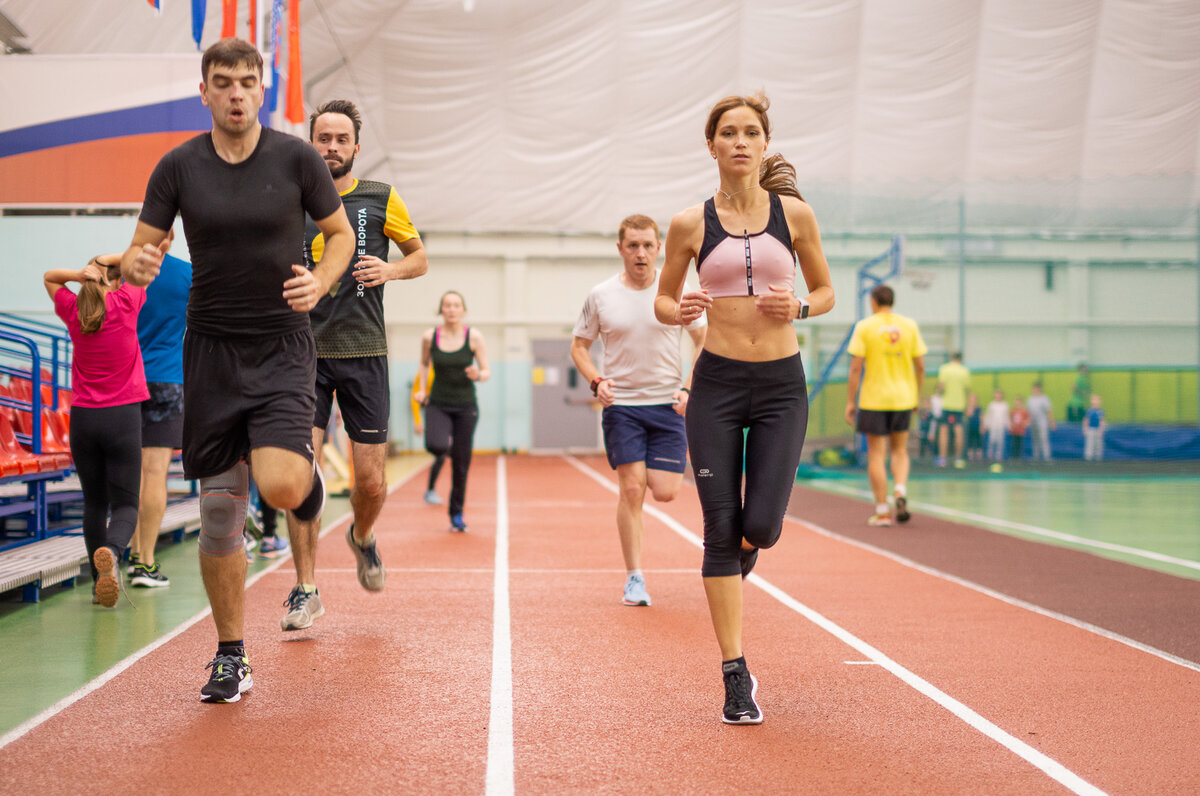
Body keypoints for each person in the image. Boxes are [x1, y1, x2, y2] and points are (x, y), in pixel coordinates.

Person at [121, 38, 354, 703]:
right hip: (211, 353)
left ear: (261, 88)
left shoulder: (297, 158)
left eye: (246, 83)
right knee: (220, 515)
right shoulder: (178, 168)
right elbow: (145, 248)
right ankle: (231, 654)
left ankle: (305, 495)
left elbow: (340, 237)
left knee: (280, 486)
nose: (235, 94)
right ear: (205, 91)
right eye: (221, 83)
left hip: (281, 347)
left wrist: (322, 281)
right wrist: (138, 264)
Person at [654, 93, 834, 725]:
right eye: (727, 132)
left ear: (763, 144)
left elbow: (828, 289)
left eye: (750, 132)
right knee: (719, 531)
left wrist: (802, 308)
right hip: (718, 387)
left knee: (764, 526)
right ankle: (735, 674)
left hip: (782, 386)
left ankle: (746, 550)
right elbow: (662, 300)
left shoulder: (796, 216)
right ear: (711, 146)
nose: (738, 141)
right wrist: (677, 311)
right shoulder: (687, 224)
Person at [279, 99, 429, 631]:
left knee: (369, 482)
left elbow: (420, 258)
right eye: (324, 138)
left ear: (356, 147)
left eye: (342, 139)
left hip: (365, 350)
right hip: (303, 353)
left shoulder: (379, 198)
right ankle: (305, 588)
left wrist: (390, 270)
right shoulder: (290, 197)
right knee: (301, 473)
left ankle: (362, 536)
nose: (332, 147)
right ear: (311, 142)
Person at [571, 213, 708, 606]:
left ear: (659, 247)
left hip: (668, 405)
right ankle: (634, 578)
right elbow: (579, 347)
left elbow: (703, 339)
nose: (641, 253)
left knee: (665, 492)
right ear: (620, 249)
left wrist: (688, 387)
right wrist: (597, 381)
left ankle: (645, 465)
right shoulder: (601, 295)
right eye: (633, 245)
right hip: (623, 406)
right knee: (631, 489)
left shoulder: (678, 291)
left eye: (648, 245)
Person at [45, 257, 148, 608]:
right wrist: (110, 265)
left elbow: (49, 277)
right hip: (122, 418)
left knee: (94, 502)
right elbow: (137, 261)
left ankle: (96, 581)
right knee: (127, 504)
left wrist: (80, 273)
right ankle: (113, 553)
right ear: (111, 283)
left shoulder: (74, 311)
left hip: (84, 420)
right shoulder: (125, 303)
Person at [123, 231, 189, 589]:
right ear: (172, 236)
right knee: (155, 474)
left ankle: (134, 553)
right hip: (168, 380)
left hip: (127, 380)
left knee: (132, 475)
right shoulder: (186, 275)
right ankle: (144, 562)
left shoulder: (124, 271)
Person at [844, 284, 926, 526]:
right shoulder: (909, 326)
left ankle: (882, 510)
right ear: (893, 301)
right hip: (903, 398)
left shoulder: (865, 326)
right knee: (900, 451)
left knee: (876, 454)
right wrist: (916, 396)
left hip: (874, 399)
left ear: (873, 302)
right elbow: (920, 366)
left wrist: (851, 401)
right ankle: (900, 489)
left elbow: (856, 367)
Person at [414, 292, 490, 532]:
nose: (452, 309)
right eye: (447, 305)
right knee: (436, 445)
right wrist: (422, 390)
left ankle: (456, 513)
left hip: (466, 406)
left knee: (461, 464)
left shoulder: (474, 337)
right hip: (438, 402)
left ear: (463, 310)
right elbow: (425, 364)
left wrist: (478, 374)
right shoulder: (430, 336)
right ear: (441, 310)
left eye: (456, 305)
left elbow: (486, 370)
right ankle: (449, 448)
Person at [936, 352, 970, 467]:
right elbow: (967, 390)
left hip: (947, 405)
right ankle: (958, 459)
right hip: (959, 405)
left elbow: (941, 386)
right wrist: (968, 406)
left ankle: (942, 459)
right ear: (960, 359)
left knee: (944, 431)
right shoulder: (964, 371)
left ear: (951, 358)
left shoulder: (945, 369)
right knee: (958, 431)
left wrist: (938, 395)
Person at [1027, 381, 1056, 461]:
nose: (1035, 390)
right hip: (1033, 422)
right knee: (1035, 440)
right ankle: (1036, 457)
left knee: (1044, 439)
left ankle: (1047, 457)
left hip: (1042, 422)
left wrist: (1052, 421)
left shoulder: (1044, 398)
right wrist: (1028, 421)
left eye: (1037, 388)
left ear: (1040, 389)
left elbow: (1049, 411)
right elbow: (1028, 412)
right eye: (1034, 388)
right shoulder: (1030, 399)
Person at [983, 389, 1010, 460]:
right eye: (996, 394)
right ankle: (990, 456)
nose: (998, 396)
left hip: (1001, 426)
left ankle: (998, 457)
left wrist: (1008, 425)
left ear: (1002, 395)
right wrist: (986, 425)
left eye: (999, 394)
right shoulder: (991, 404)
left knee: (1000, 442)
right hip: (993, 426)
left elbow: (1006, 416)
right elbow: (988, 415)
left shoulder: (1005, 405)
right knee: (992, 441)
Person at [1083, 394, 1106, 460]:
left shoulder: (1100, 411)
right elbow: (1086, 420)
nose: (1096, 401)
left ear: (1100, 402)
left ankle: (1098, 456)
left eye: (1097, 400)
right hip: (1090, 429)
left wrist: (1101, 430)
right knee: (1090, 443)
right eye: (1094, 400)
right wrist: (1085, 428)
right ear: (1091, 401)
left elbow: (1102, 421)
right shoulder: (1089, 411)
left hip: (1098, 429)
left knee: (1098, 443)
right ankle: (1088, 456)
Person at [1009, 395, 1030, 461]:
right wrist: (1011, 426)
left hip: (1020, 430)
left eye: (1019, 402)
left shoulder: (1024, 411)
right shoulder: (1012, 411)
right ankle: (1013, 457)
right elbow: (1010, 419)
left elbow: (1028, 420)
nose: (1017, 403)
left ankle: (1018, 458)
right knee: (1013, 444)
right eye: (1016, 402)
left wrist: (1024, 423)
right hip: (1014, 430)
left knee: (1019, 444)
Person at [965, 391, 984, 462]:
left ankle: (979, 456)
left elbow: (981, 417)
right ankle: (971, 456)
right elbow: (968, 415)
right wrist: (971, 407)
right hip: (970, 427)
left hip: (977, 427)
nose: (973, 401)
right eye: (971, 399)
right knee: (970, 441)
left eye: (974, 399)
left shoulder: (979, 408)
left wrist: (982, 426)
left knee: (979, 442)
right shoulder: (968, 408)